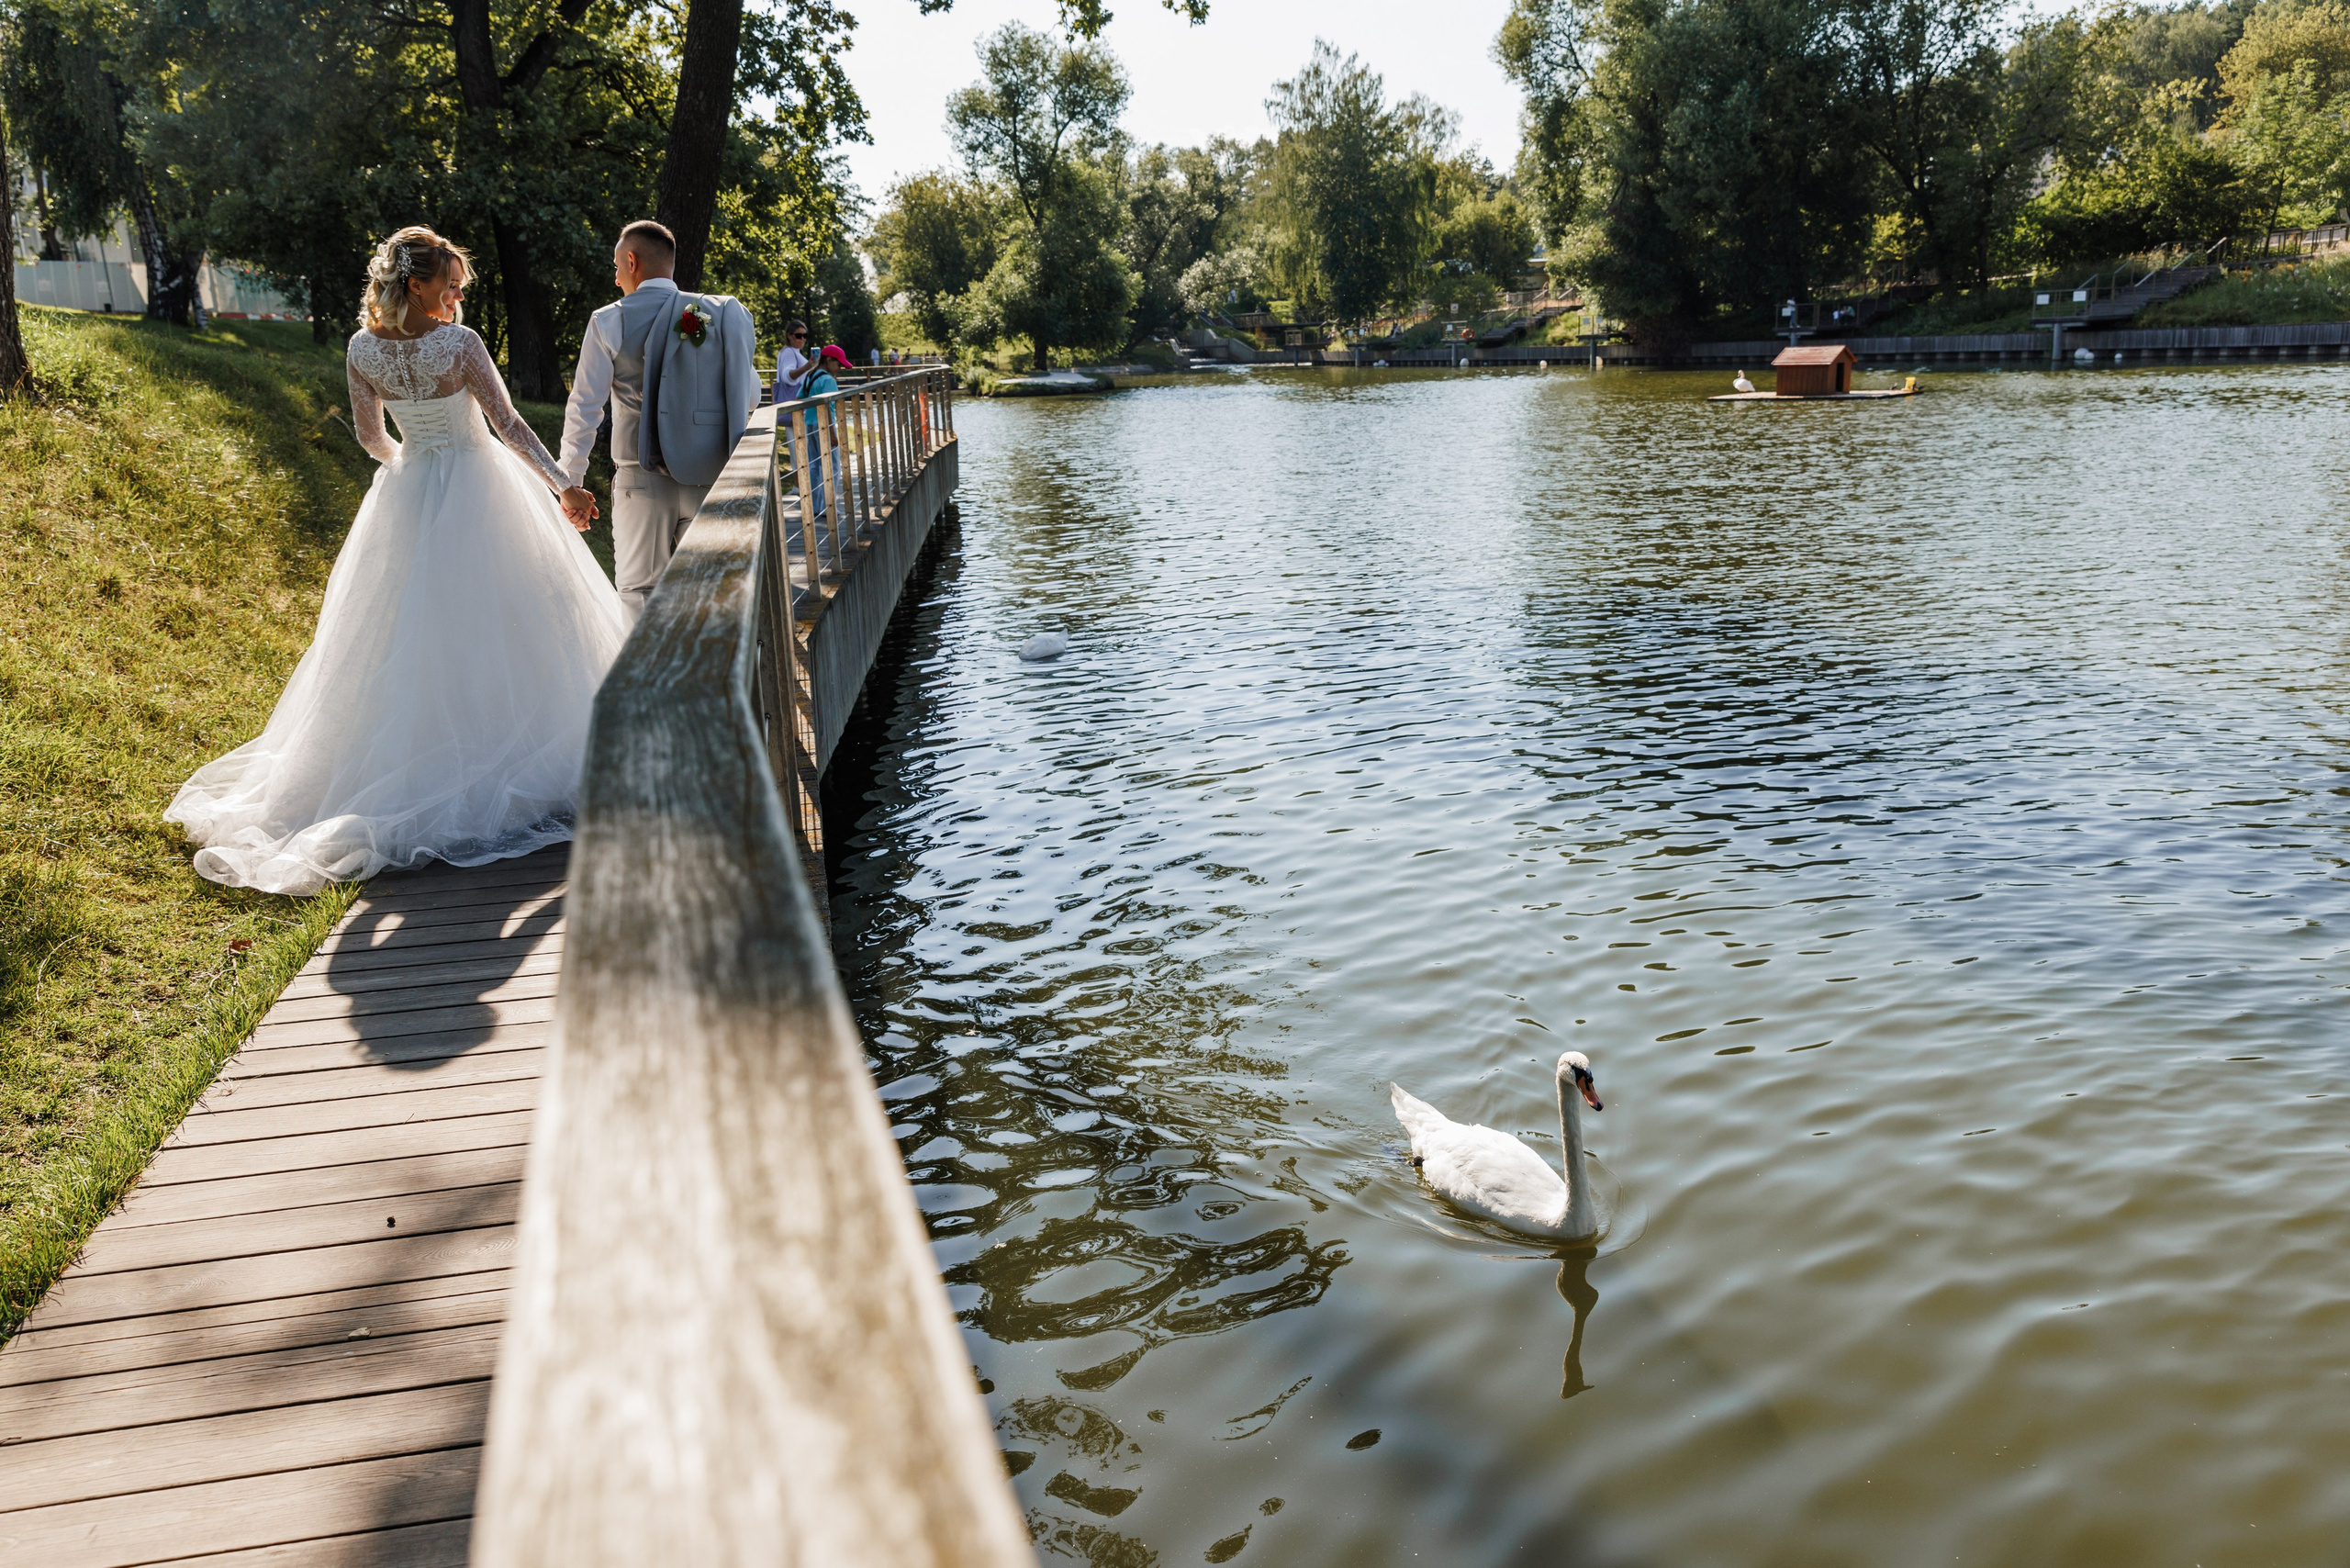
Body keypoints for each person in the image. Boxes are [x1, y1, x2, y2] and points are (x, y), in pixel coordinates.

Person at [163, 226, 628, 895]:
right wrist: (565, 486)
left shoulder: (361, 350)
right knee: (513, 622)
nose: (458, 292)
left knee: (412, 635)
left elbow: (370, 438)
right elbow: (511, 426)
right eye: (450, 282)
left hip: (409, 493)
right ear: (418, 284)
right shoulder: (461, 345)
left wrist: (412, 469)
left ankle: (423, 759)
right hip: (481, 486)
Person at [557, 218, 759, 625]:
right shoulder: (713, 313)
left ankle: (648, 686)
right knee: (708, 595)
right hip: (710, 475)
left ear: (631, 261)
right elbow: (750, 394)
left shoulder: (609, 320)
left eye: (616, 267)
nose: (616, 280)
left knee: (640, 592)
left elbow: (585, 407)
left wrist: (571, 481)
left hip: (641, 478)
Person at [772, 319, 811, 404]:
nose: (802, 339)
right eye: (798, 336)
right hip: (794, 401)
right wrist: (807, 367)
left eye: (805, 335)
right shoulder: (789, 352)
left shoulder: (793, 351)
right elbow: (787, 377)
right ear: (789, 335)